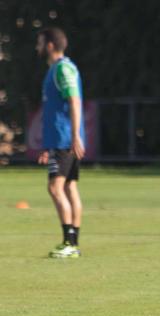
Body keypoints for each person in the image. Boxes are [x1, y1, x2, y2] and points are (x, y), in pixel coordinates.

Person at [35, 27, 85, 259]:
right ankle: (72, 243)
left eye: (40, 42)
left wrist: (74, 136)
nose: (37, 47)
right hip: (61, 139)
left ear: (50, 45)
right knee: (69, 187)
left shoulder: (62, 69)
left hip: (65, 139)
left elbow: (74, 101)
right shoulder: (57, 69)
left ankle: (69, 241)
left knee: (55, 188)